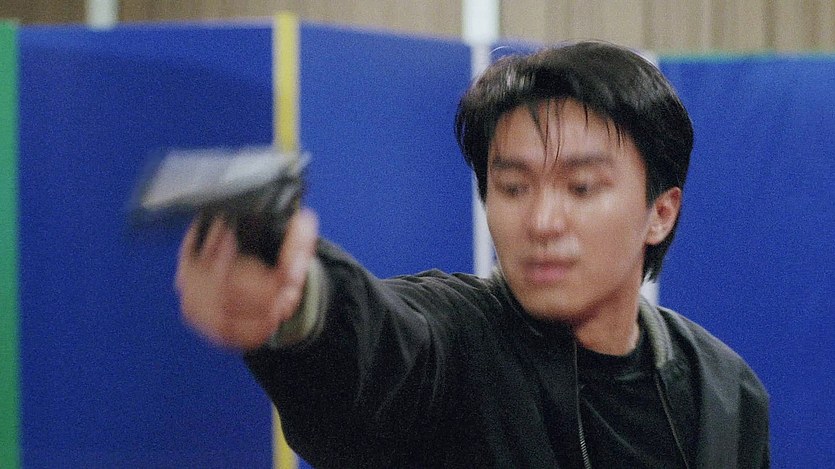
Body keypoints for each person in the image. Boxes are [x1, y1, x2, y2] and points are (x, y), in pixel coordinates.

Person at [176, 41, 769, 468]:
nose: (541, 221)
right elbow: (378, 344)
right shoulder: (456, 345)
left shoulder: (723, 392)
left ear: (660, 213)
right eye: (512, 187)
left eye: (581, 187)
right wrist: (300, 300)